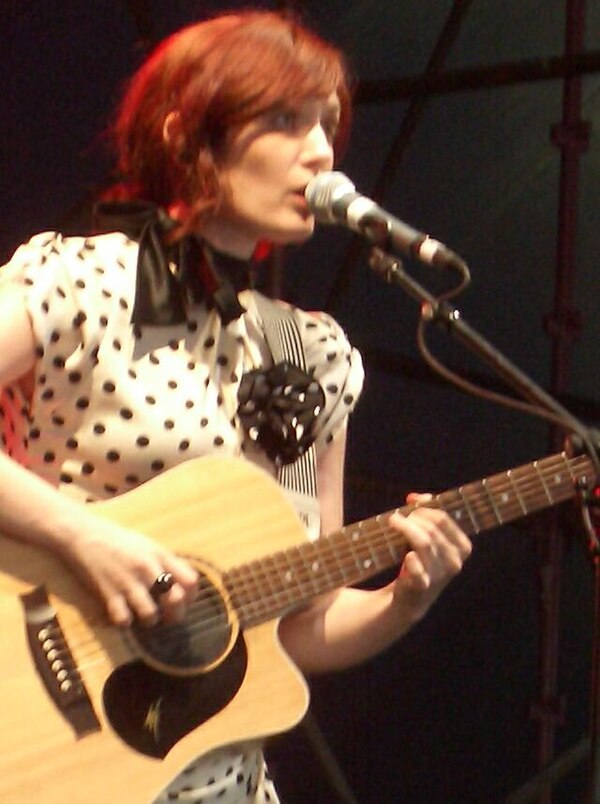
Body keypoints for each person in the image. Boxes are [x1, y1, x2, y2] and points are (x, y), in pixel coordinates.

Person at [0, 9, 472, 803]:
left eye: (326, 125)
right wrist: (81, 537)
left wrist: (402, 602)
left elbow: (298, 623)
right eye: (285, 121)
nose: (320, 150)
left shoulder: (311, 353)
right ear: (189, 136)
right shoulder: (82, 283)